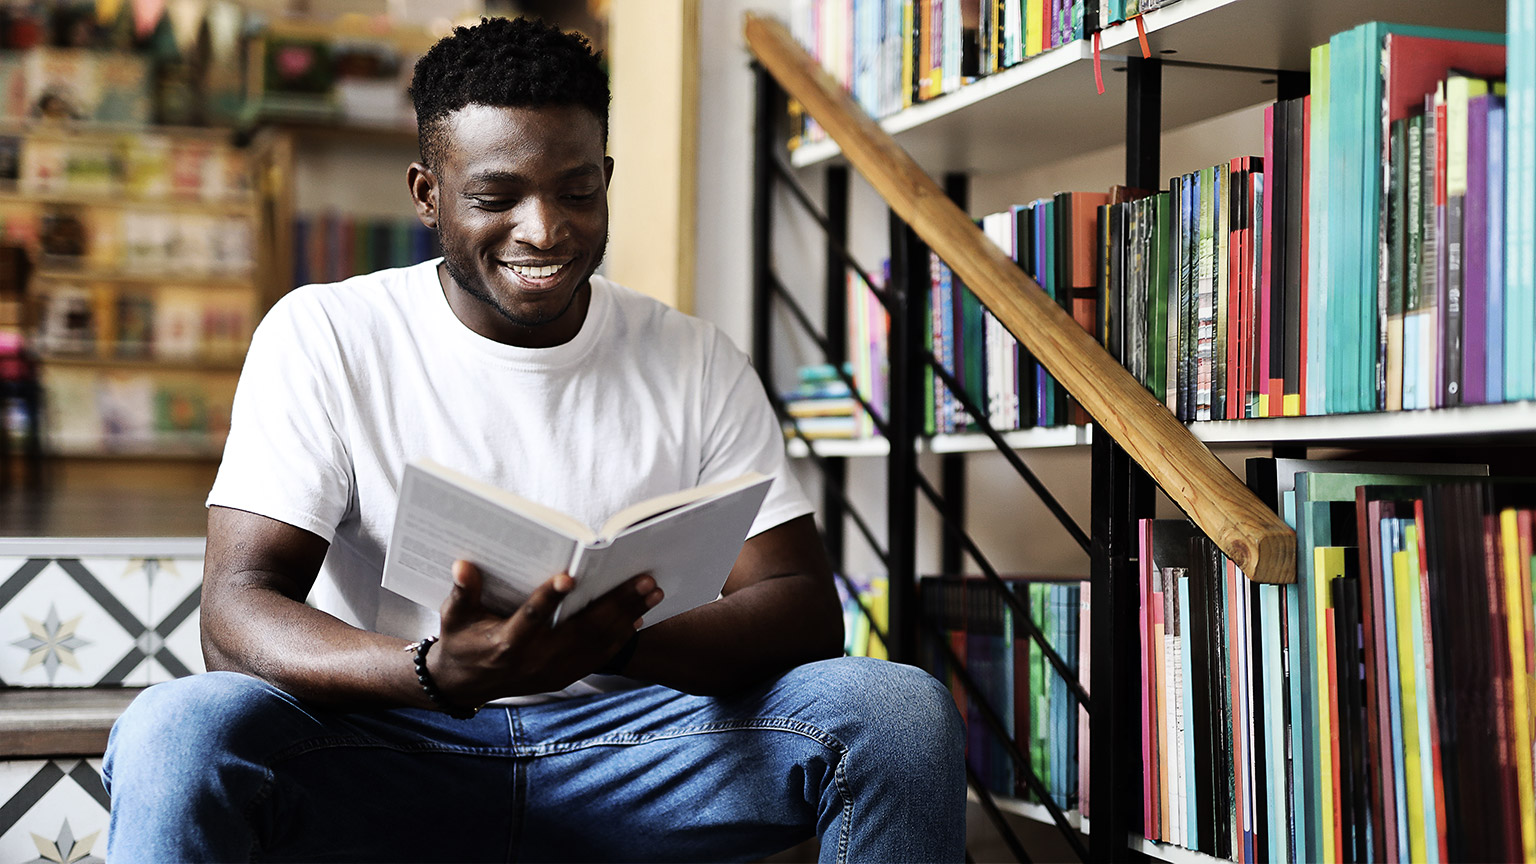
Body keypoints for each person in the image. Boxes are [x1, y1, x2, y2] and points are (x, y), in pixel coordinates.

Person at [103, 16, 964, 863]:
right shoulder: (327, 334)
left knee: (893, 711)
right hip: (392, 745)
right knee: (176, 728)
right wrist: (436, 671)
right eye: (496, 196)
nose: (545, 229)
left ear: (606, 178)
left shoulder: (693, 357)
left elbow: (801, 608)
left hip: (631, 751)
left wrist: (612, 641)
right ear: (427, 194)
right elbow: (236, 614)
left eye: (577, 190)